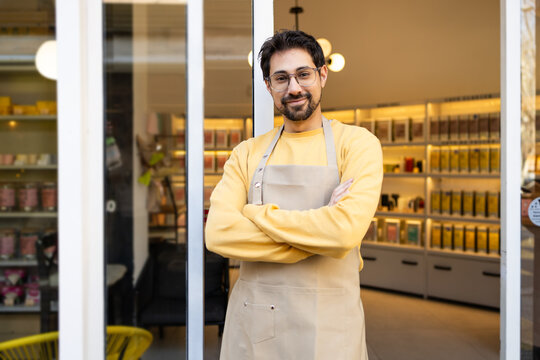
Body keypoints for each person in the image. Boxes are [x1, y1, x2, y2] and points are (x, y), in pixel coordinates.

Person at [205, 30, 383, 359]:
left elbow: (343, 233)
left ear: (322, 74)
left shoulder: (357, 144)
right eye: (282, 78)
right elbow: (219, 234)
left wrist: (256, 214)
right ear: (268, 85)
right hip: (255, 329)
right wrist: (317, 235)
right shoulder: (246, 153)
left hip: (329, 331)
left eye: (303, 74)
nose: (294, 88)